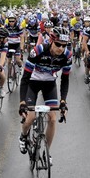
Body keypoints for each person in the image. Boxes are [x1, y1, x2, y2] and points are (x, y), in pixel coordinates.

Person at [18, 27, 72, 166]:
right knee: (30, 118)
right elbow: (25, 78)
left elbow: (65, 79)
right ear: (52, 41)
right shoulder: (38, 51)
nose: (61, 48)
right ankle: (23, 136)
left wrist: (63, 101)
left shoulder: (67, 56)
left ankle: (46, 152)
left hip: (49, 84)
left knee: (53, 119)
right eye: (58, 44)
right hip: (32, 83)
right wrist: (22, 102)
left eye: (64, 45)